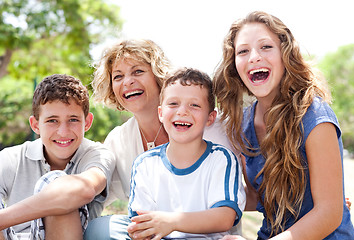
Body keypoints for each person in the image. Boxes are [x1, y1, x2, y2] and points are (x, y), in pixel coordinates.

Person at [212, 11, 354, 239]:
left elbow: (329, 213)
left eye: (266, 47)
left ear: (285, 54)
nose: (254, 57)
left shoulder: (314, 116)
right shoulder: (242, 124)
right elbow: (254, 198)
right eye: (243, 51)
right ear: (234, 65)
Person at [84, 39, 243, 239]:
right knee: (101, 229)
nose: (127, 81)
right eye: (118, 76)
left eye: (138, 71)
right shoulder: (120, 142)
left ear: (158, 75)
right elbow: (98, 197)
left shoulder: (213, 132)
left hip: (210, 233)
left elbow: (238, 200)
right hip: (158, 235)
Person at [127, 68, 246, 239]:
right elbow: (141, 224)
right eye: (173, 104)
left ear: (210, 118)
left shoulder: (222, 158)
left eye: (195, 105)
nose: (182, 111)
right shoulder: (145, 163)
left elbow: (225, 217)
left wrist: (172, 222)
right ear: (161, 113)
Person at [0, 74, 115, 240]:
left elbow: (86, 189)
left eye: (73, 120)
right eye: (52, 121)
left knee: (59, 185)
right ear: (35, 125)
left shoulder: (98, 154)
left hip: (65, 233)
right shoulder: (12, 158)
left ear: (87, 122)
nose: (63, 132)